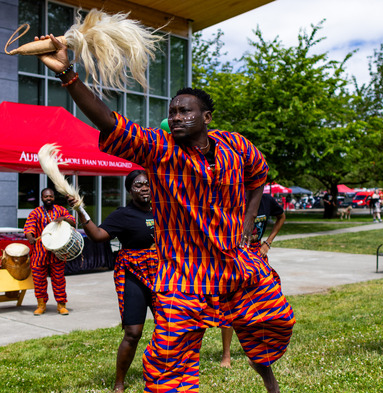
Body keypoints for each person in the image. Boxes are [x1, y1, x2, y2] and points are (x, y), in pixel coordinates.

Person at [34, 34, 295, 393]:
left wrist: (249, 222)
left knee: (272, 321)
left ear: (207, 117)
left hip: (237, 262)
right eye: (171, 112)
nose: (175, 118)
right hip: (182, 273)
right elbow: (109, 122)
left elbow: (258, 178)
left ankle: (270, 383)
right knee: (168, 357)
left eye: (184, 111)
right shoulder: (159, 149)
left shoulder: (237, 147)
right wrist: (68, 74)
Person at [68, 170, 156, 393]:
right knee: (133, 332)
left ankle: (166, 372)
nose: (144, 188)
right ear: (129, 190)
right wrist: (80, 210)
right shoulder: (123, 214)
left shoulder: (164, 211)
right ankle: (119, 383)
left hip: (162, 276)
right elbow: (97, 235)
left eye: (148, 184)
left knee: (169, 328)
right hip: (133, 276)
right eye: (138, 185)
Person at [220, 193, 286, 367]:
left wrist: (268, 242)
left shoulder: (266, 200)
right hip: (237, 255)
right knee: (232, 304)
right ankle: (226, 355)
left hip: (258, 254)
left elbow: (281, 216)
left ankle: (258, 349)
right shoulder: (232, 198)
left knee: (263, 303)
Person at [24, 188, 76, 316]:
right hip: (39, 252)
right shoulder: (35, 212)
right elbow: (29, 227)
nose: (48, 198)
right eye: (46, 196)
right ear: (42, 198)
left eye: (51, 196)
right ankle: (41, 305)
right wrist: (30, 237)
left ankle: (61, 305)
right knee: (38, 280)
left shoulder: (60, 210)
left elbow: (73, 222)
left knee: (58, 279)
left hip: (57, 252)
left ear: (54, 197)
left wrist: (63, 218)